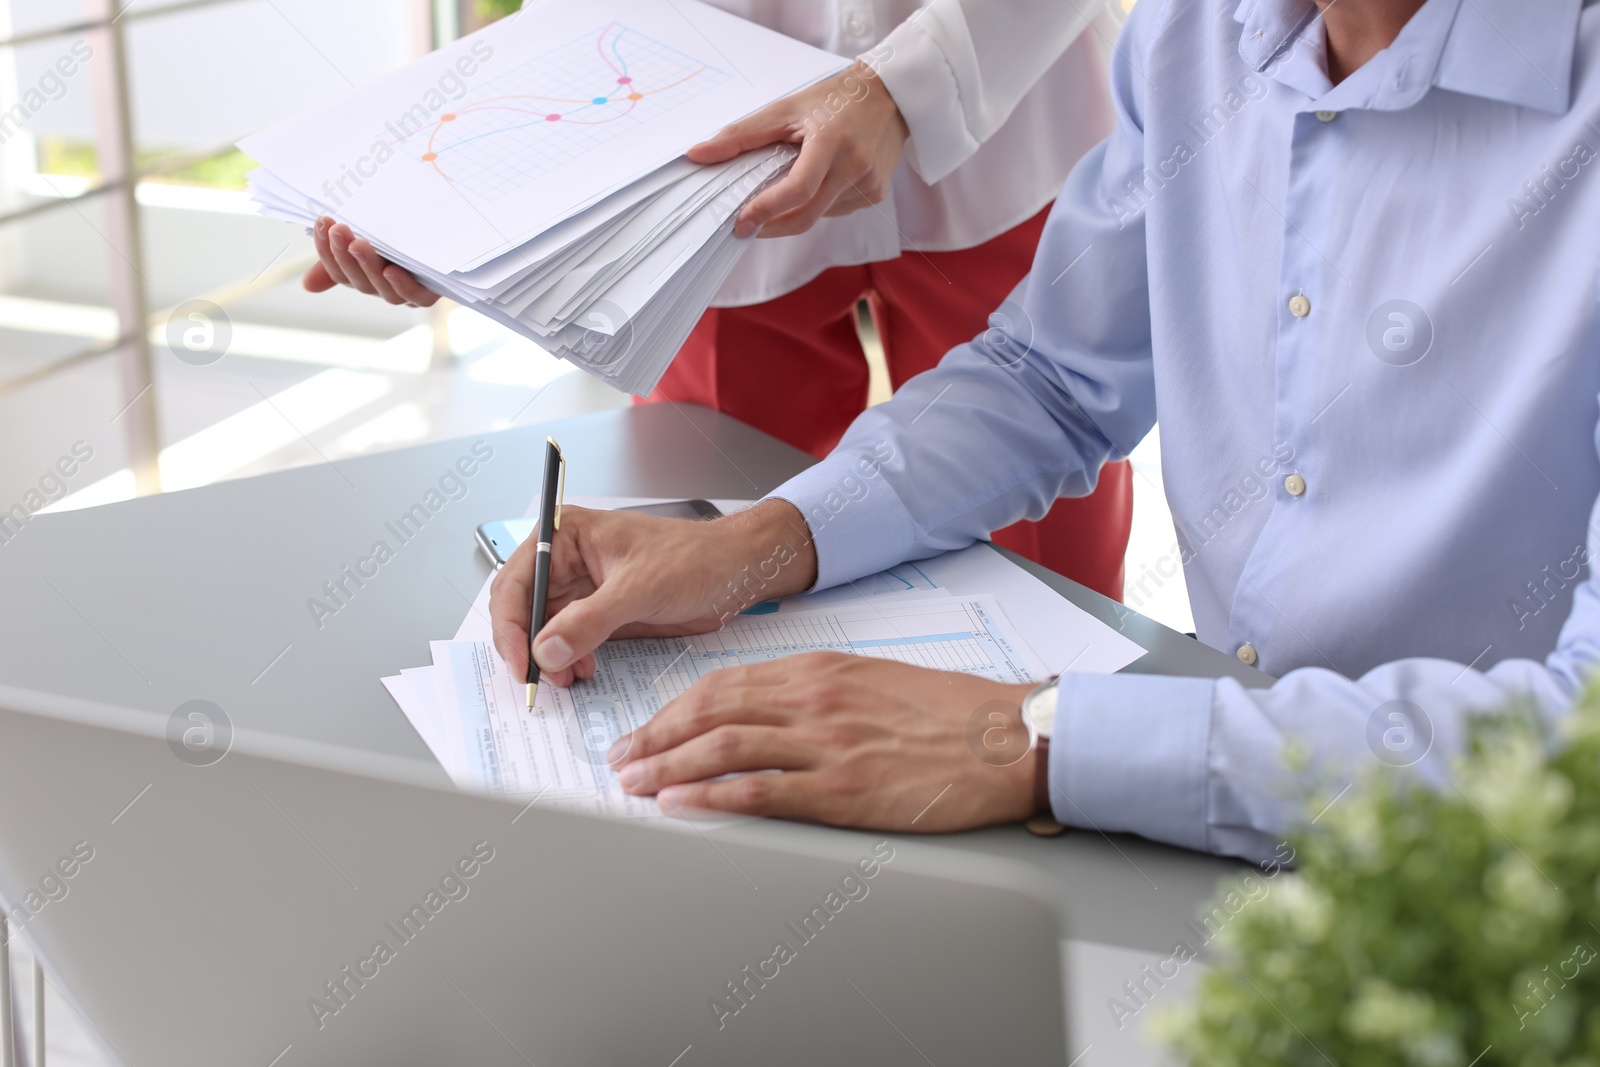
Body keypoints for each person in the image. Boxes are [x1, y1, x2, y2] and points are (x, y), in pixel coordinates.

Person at [486, 0, 1600, 864]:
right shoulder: (1202, 32)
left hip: (1497, 892)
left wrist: (1044, 738)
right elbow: (1051, 376)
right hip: (1213, 842)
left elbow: (1580, 739)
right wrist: (757, 542)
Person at [303, 0, 1136, 600]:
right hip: (699, 170)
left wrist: (906, 85)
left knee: (1046, 553)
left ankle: (1066, 785)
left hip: (1014, 120)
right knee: (710, 554)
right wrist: (455, 202)